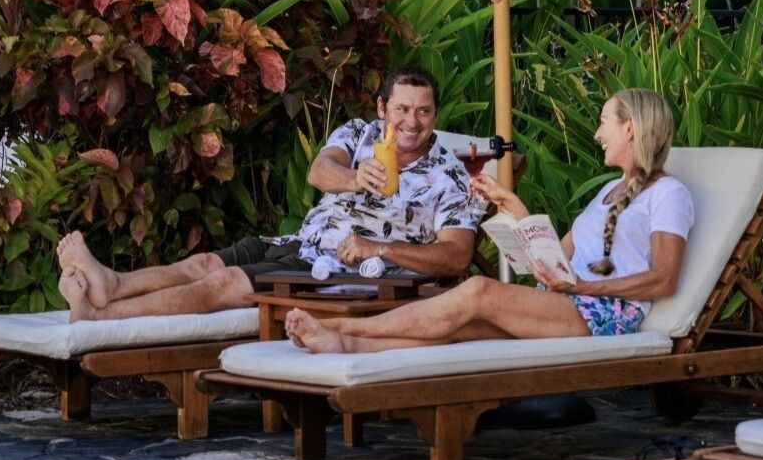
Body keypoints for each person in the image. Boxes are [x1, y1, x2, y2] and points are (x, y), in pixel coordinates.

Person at [55, 66, 482, 321]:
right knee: (204, 263)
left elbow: (457, 256)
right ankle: (114, 283)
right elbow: (319, 171)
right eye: (402, 109)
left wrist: (380, 248)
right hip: (300, 242)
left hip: (335, 269)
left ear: (434, 114)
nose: (412, 122)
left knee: (223, 283)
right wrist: (354, 179)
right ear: (382, 108)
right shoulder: (360, 133)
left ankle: (101, 315)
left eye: (423, 111)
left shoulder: (450, 175)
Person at [285, 88, 693, 353]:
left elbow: (664, 279)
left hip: (603, 313)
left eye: (604, 123)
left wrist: (583, 287)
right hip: (567, 300)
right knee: (460, 327)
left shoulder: (668, 193)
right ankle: (346, 345)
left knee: (479, 290)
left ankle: (341, 326)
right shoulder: (608, 191)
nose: (598, 134)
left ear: (630, 128)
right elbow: (553, 255)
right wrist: (510, 204)